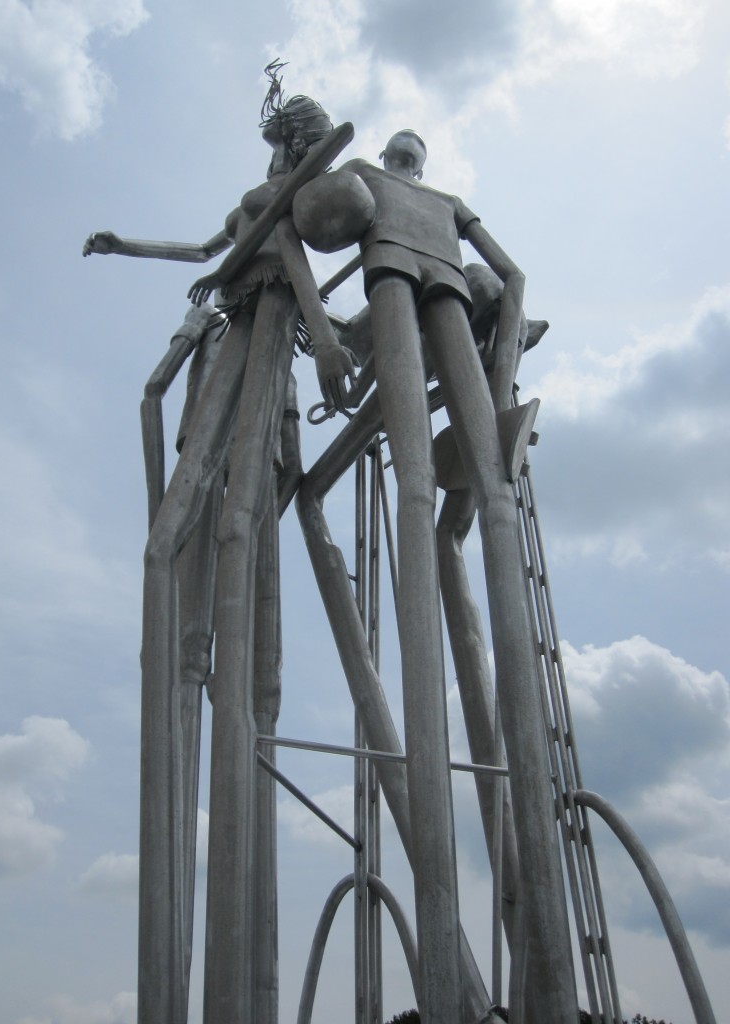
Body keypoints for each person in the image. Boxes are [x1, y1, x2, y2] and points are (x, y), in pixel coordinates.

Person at [84, 64, 351, 1024]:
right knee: (189, 534)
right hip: (222, 345)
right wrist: (122, 244)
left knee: (242, 529)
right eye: (281, 136)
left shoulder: (299, 198)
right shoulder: (259, 196)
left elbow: (300, 270)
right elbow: (204, 249)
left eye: (290, 134)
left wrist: (323, 341)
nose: (281, 147)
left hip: (269, 346)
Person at [297, 131, 579, 1024]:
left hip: (444, 296)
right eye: (406, 143)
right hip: (396, 285)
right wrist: (331, 341)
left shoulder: (441, 201)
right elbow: (322, 225)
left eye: (412, 145)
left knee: (475, 485)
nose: (409, 150)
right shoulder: (371, 185)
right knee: (419, 480)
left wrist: (504, 370)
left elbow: (514, 275)